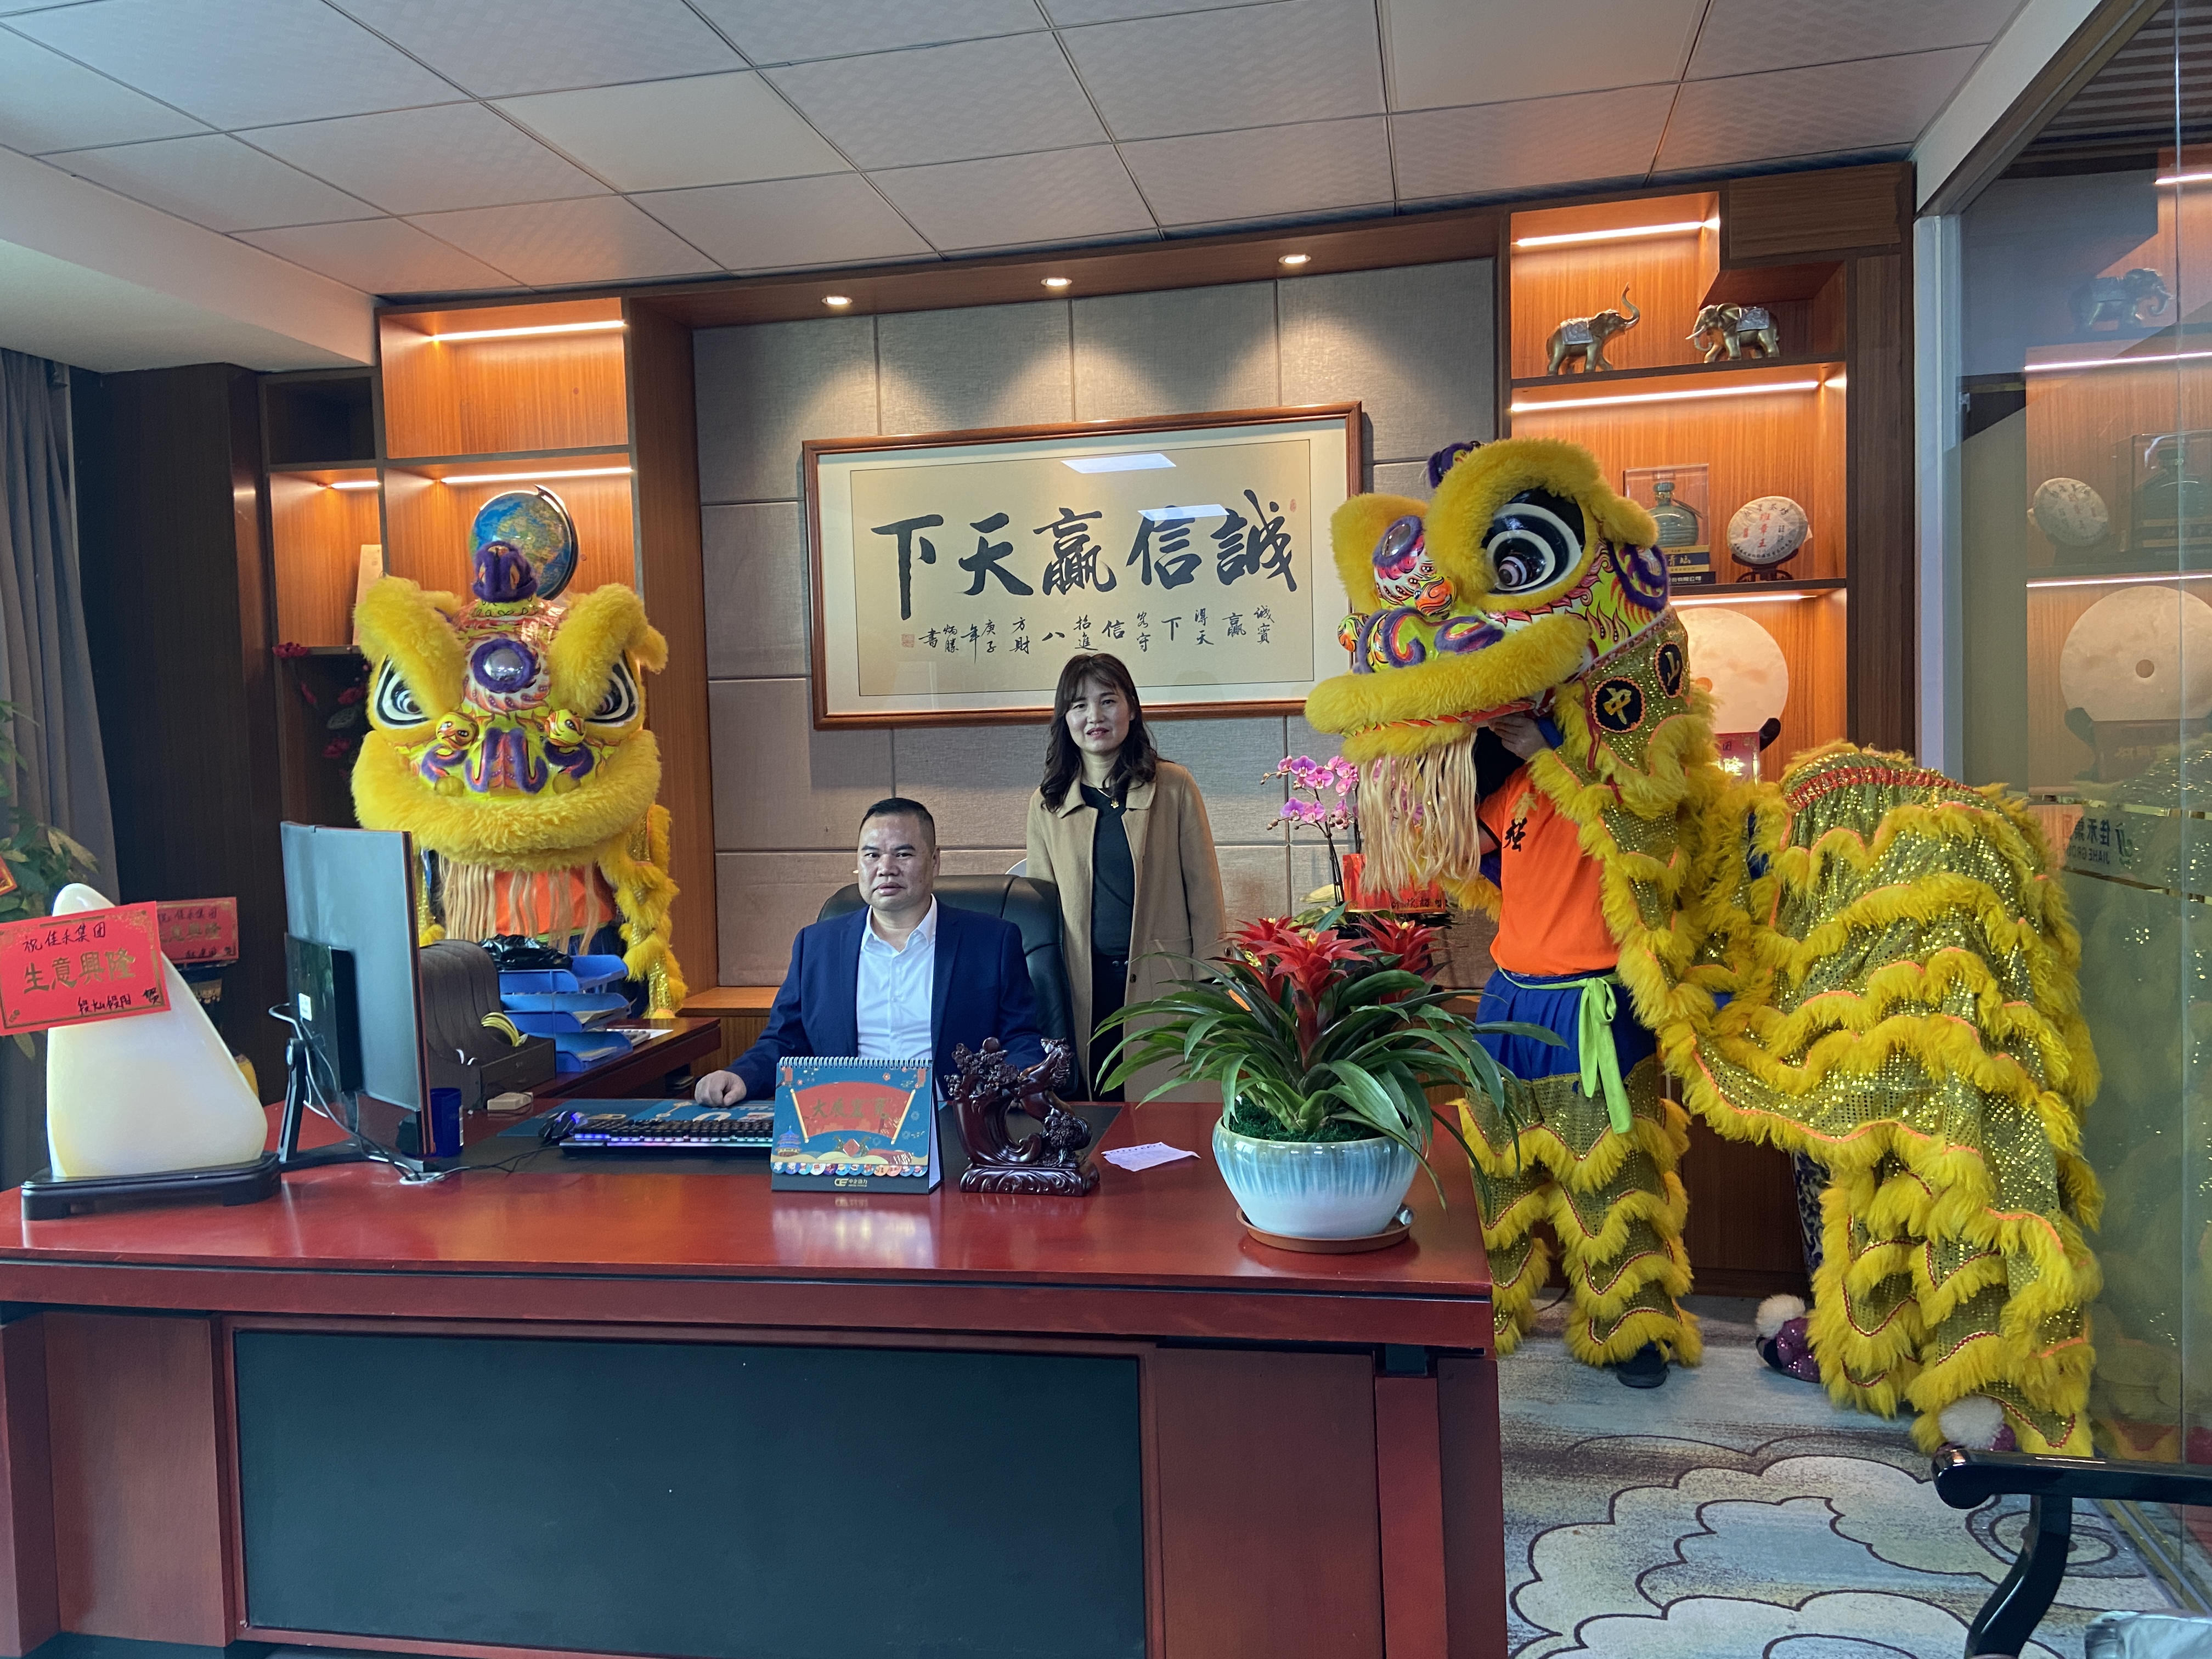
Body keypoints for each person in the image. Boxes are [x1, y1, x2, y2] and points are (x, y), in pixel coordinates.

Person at [1466, 712, 1696, 1390]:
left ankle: (1631, 1328)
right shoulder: (1513, 791)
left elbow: (1645, 826)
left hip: (1596, 1004)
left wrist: (1558, 749)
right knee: (1495, 1167)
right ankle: (1484, 1314)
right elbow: (1466, 849)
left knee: (1611, 1173)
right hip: (1510, 997)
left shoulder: (1619, 783)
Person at [694, 798, 1045, 1104]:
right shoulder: (816, 946)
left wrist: (1009, 1090)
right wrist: (740, 1076)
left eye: (903, 854)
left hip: (952, 1123)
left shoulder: (992, 942)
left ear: (935, 861)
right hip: (844, 1124)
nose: (886, 868)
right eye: (872, 855)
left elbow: (1020, 1038)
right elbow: (784, 1041)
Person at [1026, 653, 1224, 1101]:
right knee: (1095, 1111)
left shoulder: (1173, 786)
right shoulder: (1047, 803)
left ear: (1131, 708)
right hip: (1084, 989)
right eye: (1079, 705)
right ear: (1065, 719)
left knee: (1166, 1111)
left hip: (1165, 981)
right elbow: (1040, 917)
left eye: (1108, 701)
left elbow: (1204, 891)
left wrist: (1212, 980)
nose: (1094, 716)